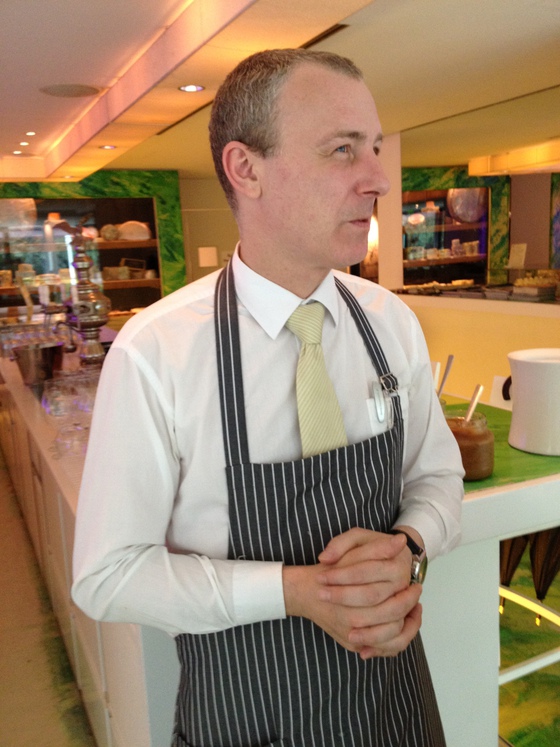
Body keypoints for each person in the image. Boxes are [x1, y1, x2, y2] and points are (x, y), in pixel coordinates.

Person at [72, 48, 464, 746]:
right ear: (245, 168)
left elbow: (438, 475)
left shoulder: (391, 323)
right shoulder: (156, 352)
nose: (378, 178)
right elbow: (107, 575)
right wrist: (294, 591)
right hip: (248, 722)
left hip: (396, 711)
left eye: (374, 147)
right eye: (342, 149)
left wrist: (409, 546)